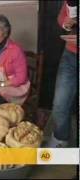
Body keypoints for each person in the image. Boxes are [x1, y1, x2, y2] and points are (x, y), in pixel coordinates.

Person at [47, 0, 77, 148]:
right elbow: (61, 19)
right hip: (70, 54)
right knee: (60, 104)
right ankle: (60, 140)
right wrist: (67, 23)